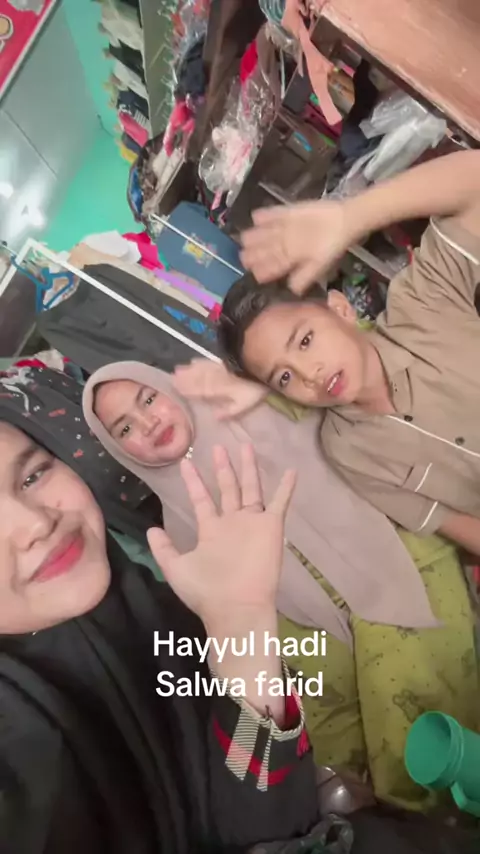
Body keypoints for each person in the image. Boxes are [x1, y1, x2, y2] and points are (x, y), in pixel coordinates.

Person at [0, 393, 325, 853]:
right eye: (124, 426)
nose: (36, 523)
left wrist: (241, 625)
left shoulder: (150, 602)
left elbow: (266, 821)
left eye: (32, 475)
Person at [215, 150, 480, 556]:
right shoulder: (347, 450)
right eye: (284, 377)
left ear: (340, 309)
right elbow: (454, 523)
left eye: (305, 341)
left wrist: (352, 216)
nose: (310, 374)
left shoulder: (422, 306)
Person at [81, 360, 439, 647]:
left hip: (399, 556)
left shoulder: (255, 410)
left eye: (148, 399)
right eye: (124, 429)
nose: (148, 423)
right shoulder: (180, 534)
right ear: (119, 452)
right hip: (318, 637)